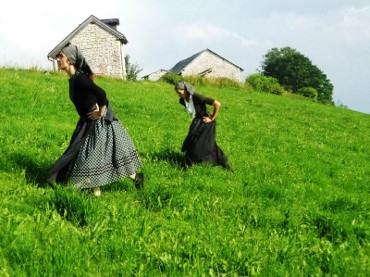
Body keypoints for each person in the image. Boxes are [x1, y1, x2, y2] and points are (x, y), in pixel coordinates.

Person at [48, 43, 144, 196]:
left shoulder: (80, 79)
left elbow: (101, 93)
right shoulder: (75, 78)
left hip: (98, 124)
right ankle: (134, 178)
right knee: (98, 157)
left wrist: (100, 113)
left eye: (61, 56)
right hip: (87, 122)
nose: (58, 59)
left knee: (92, 157)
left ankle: (99, 194)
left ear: (70, 60)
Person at [174, 80, 232, 170]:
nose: (178, 94)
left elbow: (217, 104)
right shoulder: (182, 101)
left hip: (207, 123)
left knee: (201, 144)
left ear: (185, 90)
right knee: (204, 144)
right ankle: (223, 163)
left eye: (179, 92)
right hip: (198, 122)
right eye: (177, 92)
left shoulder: (197, 97)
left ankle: (188, 165)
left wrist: (211, 118)